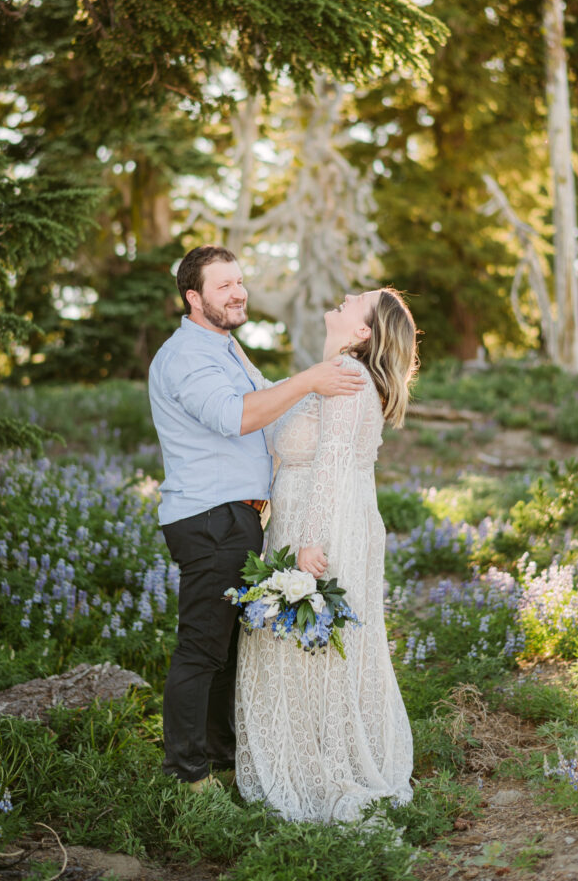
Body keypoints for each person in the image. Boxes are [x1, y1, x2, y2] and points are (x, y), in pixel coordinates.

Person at [148, 245, 365, 793]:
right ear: (193, 298)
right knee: (202, 648)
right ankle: (187, 776)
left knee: (223, 652)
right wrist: (313, 378)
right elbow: (236, 416)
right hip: (209, 517)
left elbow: (271, 419)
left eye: (239, 281)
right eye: (223, 286)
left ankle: (222, 763)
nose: (238, 292)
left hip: (235, 518)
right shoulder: (186, 355)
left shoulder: (226, 348)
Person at [235, 288, 417, 821]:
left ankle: (320, 765)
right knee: (316, 647)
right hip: (329, 518)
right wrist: (232, 349)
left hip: (322, 524)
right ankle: (313, 751)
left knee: (307, 644)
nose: (340, 298)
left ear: (364, 333)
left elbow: (333, 466)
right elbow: (276, 399)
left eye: (354, 300)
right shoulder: (331, 375)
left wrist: (309, 545)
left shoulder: (348, 377)